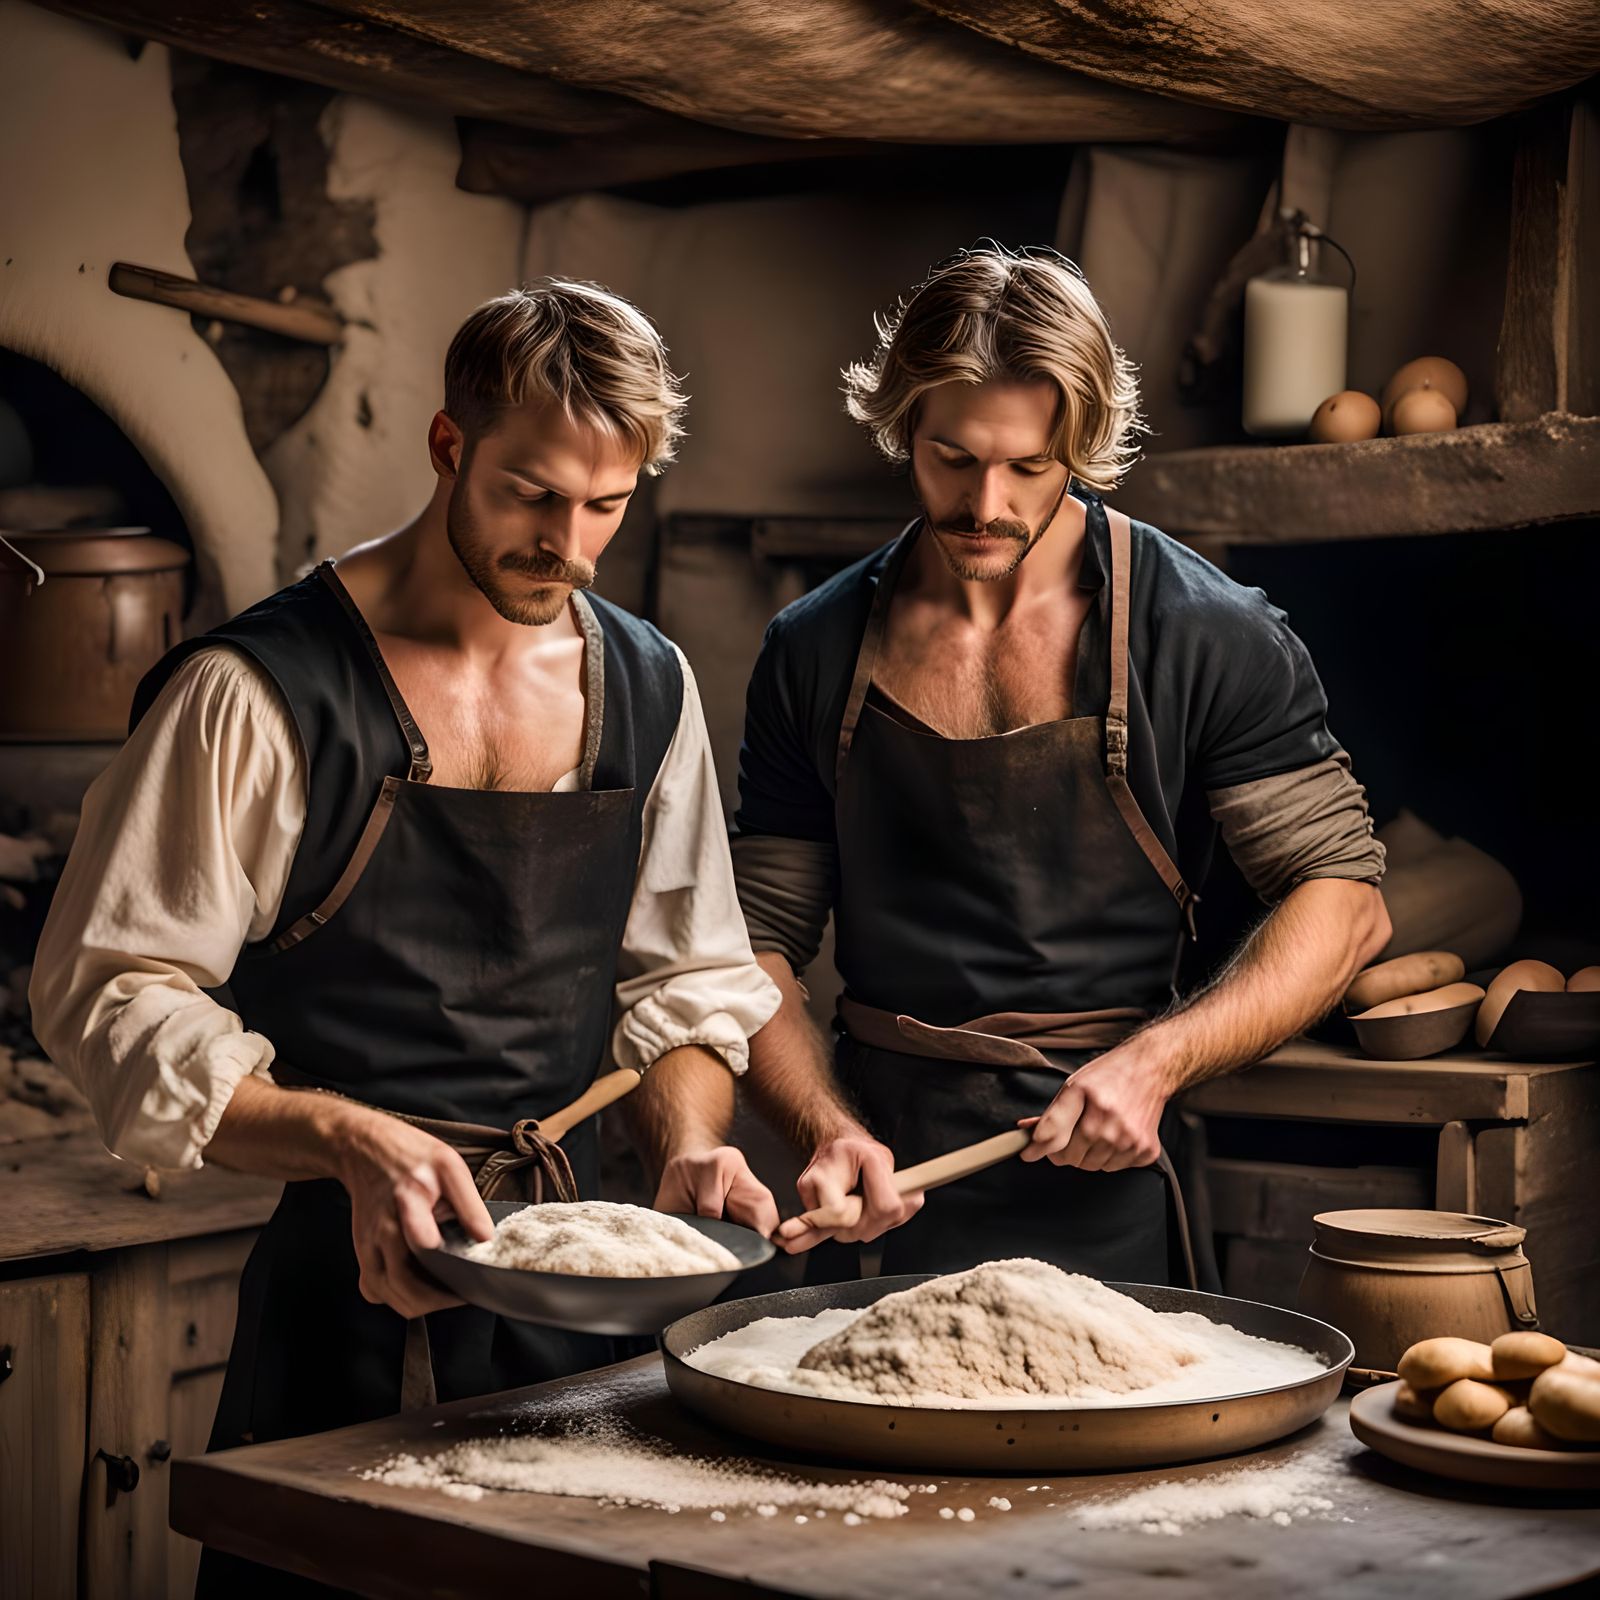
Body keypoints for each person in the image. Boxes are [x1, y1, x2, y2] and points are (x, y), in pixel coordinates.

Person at [31, 279, 782, 1593]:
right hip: (340, 1325)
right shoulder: (258, 692)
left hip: (575, 1325)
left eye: (608, 504)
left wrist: (692, 1147)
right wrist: (342, 1133)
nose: (573, 545)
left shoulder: (651, 686)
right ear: (449, 448)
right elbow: (110, 993)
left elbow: (686, 982)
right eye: (533, 494)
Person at [720, 244, 1391, 1281]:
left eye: (1029, 466)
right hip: (878, 1178)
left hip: (1106, 1165)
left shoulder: (1203, 631)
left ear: (1079, 444)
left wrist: (1157, 1060)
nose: (985, 502)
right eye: (952, 456)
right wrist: (823, 1128)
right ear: (904, 426)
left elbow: (1343, 900)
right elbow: (755, 941)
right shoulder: (811, 648)